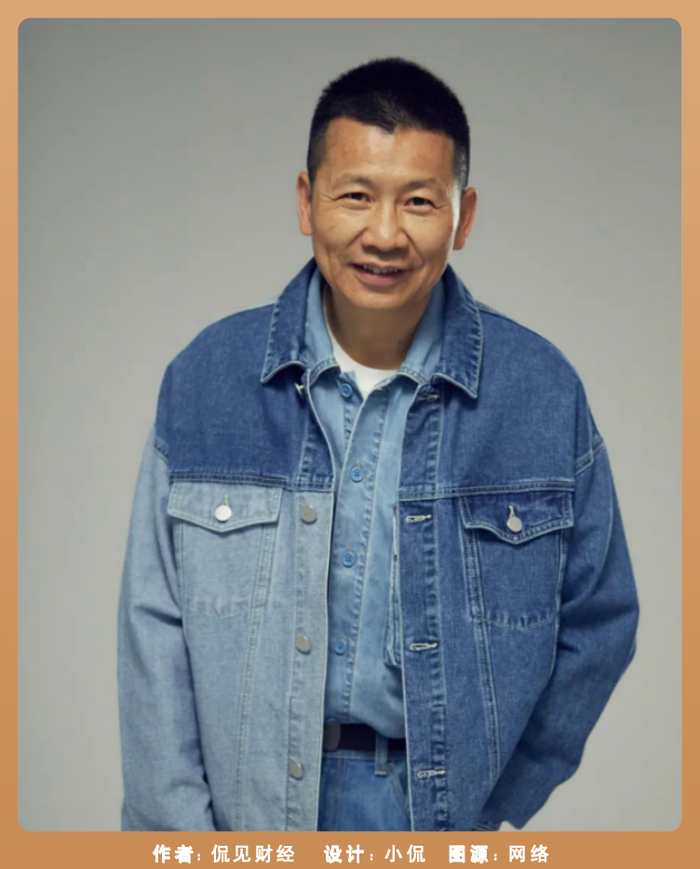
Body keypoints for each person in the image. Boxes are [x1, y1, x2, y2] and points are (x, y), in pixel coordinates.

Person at [117, 56, 639, 833]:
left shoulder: (539, 393)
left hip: (433, 815)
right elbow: (152, 626)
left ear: (463, 216)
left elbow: (600, 620)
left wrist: (492, 810)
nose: (385, 234)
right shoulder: (207, 380)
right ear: (307, 201)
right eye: (356, 195)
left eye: (419, 201)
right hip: (243, 818)